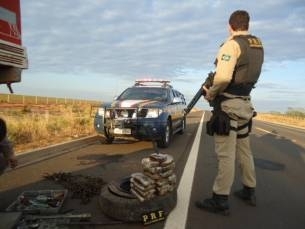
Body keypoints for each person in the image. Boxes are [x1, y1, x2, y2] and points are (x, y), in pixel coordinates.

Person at [195, 10, 264, 215]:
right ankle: (249, 190)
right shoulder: (257, 45)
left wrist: (210, 94)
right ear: (247, 24)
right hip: (245, 105)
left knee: (226, 155)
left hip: (228, 107)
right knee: (245, 151)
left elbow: (223, 78)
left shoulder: (232, 45)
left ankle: (220, 199)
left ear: (230, 25)